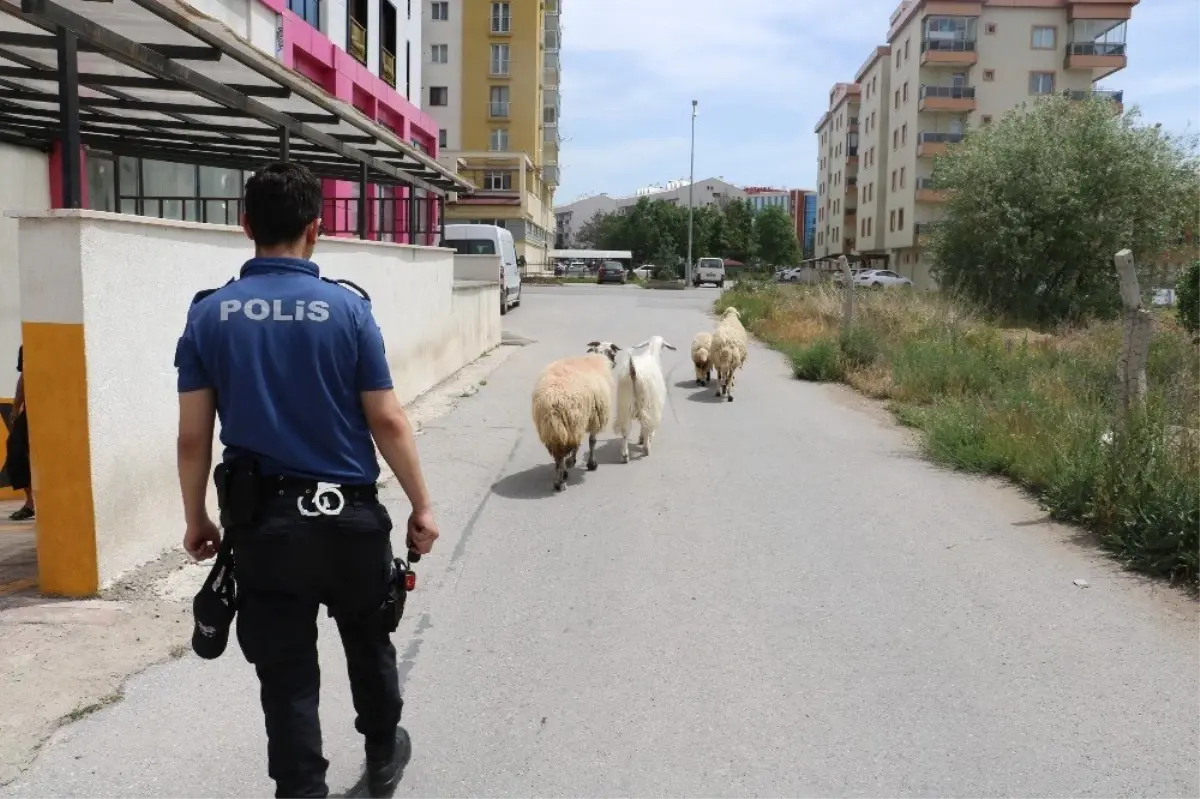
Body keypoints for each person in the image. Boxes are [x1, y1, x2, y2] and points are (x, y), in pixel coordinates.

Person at [173, 161, 440, 799]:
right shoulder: (348, 310)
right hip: (348, 520)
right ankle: (381, 754)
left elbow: (192, 438)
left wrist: (196, 520)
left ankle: (301, 787)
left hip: (264, 528)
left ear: (245, 227)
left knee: (287, 673)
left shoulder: (210, 316)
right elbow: (388, 420)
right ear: (316, 230)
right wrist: (422, 506)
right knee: (368, 638)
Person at [6, 345, 34, 521]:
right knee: (16, 450)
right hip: (31, 410)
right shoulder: (28, 346)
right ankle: (30, 503)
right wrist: (17, 407)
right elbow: (24, 375)